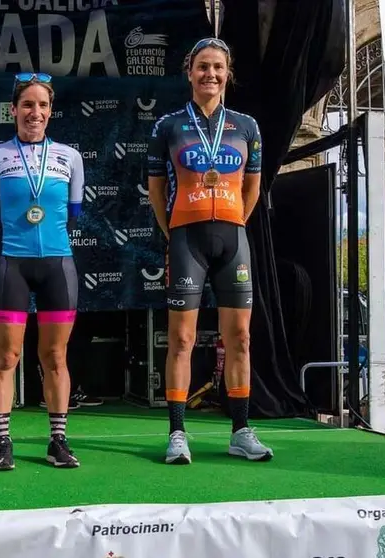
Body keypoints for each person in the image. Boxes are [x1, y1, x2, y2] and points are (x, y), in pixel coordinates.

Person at [146, 37, 273, 464]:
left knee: (239, 336)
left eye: (218, 67)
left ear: (227, 73)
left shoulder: (247, 126)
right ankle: (178, 432)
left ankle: (240, 431)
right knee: (181, 338)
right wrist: (174, 231)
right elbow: (156, 188)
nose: (210, 74)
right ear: (190, 72)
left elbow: (253, 187)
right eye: (202, 66)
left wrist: (235, 219)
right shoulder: (168, 125)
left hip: (233, 239)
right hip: (186, 238)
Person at [0, 72, 85, 471]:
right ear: (14, 109)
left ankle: (58, 440)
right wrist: (7, 246)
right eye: (27, 104)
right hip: (11, 265)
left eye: (42, 105)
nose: (35, 112)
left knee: (55, 355)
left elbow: (71, 216)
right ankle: (2, 442)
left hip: (57, 264)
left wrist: (46, 243)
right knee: (7, 355)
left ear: (51, 111)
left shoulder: (70, 158)